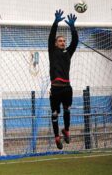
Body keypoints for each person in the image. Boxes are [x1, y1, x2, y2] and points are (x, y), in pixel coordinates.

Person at [48, 9, 78, 149]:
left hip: (67, 88)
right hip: (55, 88)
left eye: (64, 41)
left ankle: (66, 130)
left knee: (67, 110)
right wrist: (55, 22)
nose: (62, 42)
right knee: (55, 113)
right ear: (55, 43)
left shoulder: (68, 52)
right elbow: (51, 36)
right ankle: (56, 137)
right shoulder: (52, 51)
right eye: (60, 41)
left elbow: (75, 41)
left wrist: (72, 27)